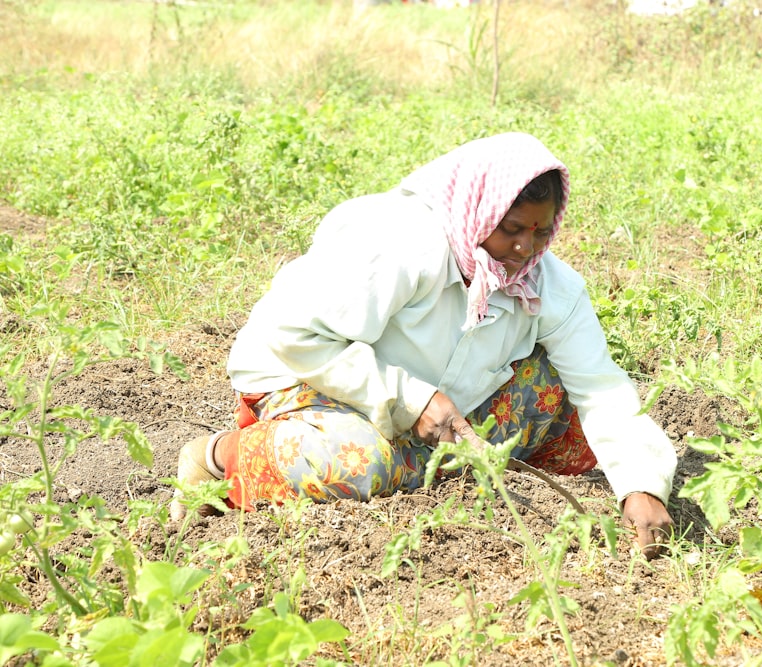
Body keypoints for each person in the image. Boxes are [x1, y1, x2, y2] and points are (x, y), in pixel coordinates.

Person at [171, 132, 676, 557]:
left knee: (575, 415)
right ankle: (220, 458)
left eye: (542, 232)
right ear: (480, 211)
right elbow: (293, 333)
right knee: (360, 461)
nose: (526, 248)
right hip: (310, 377)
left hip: (438, 408)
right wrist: (411, 399)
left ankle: (418, 465)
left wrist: (643, 486)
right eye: (511, 229)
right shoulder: (401, 244)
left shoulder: (549, 285)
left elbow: (601, 389)